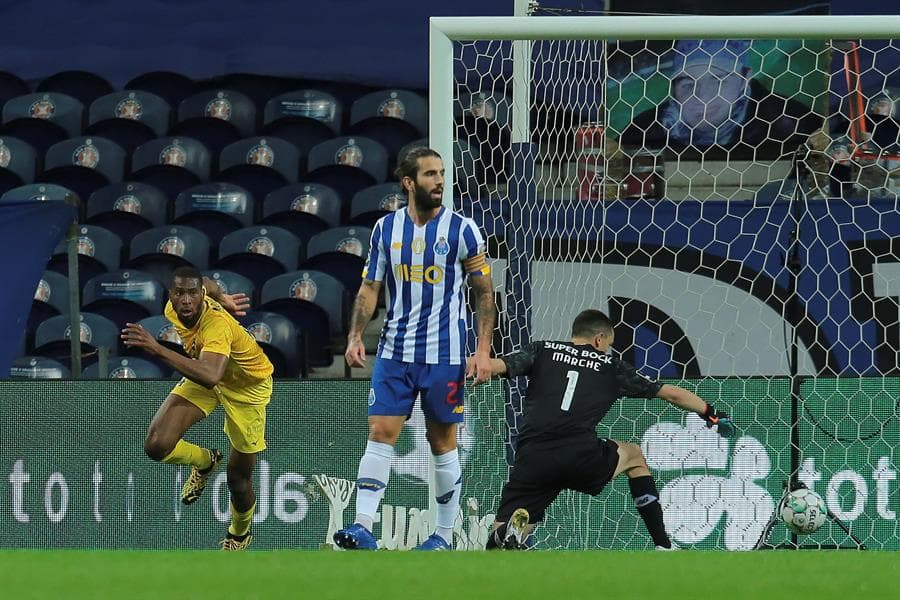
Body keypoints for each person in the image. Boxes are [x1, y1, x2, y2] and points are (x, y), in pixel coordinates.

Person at [333, 146, 496, 551]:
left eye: (441, 174)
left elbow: (485, 293)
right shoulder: (385, 230)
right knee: (380, 430)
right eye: (430, 175)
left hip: (446, 354)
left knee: (442, 441)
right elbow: (370, 288)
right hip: (394, 350)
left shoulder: (463, 230)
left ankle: (442, 535)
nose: (439, 181)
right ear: (409, 182)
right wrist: (355, 336)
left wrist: (483, 350)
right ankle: (362, 525)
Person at [473, 309, 735, 550]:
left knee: (504, 536)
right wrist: (710, 413)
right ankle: (664, 546)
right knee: (634, 455)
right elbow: (672, 395)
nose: (606, 349)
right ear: (599, 339)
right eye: (608, 344)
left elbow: (499, 366)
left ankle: (504, 535)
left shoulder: (542, 350)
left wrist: (473, 367)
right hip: (580, 456)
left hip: (533, 458)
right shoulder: (611, 366)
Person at [121, 266, 273, 551]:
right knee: (157, 445)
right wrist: (224, 296)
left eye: (193, 294)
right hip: (208, 373)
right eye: (180, 293)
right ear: (171, 295)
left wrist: (157, 348)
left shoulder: (216, 325)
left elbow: (210, 374)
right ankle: (204, 461)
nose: (187, 300)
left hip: (245, 388)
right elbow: (207, 283)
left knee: (238, 479)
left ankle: (239, 533)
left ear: (200, 296)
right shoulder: (175, 307)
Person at [619, 39, 822, 160]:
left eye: (718, 80)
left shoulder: (793, 124)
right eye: (688, 84)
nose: (703, 97)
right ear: (673, 89)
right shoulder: (644, 130)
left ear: (744, 80)